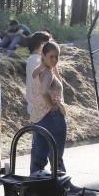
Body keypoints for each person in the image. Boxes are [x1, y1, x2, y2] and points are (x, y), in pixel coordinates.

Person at [29, 39, 67, 176]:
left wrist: (52, 65)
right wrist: (53, 106)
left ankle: (36, 182)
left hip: (38, 117)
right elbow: (44, 91)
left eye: (57, 57)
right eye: (51, 56)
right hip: (52, 117)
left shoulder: (38, 70)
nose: (55, 60)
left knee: (38, 155)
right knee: (56, 155)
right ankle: (62, 184)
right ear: (43, 56)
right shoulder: (47, 73)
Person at [25, 31, 51, 117]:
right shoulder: (38, 61)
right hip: (43, 110)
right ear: (41, 45)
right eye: (48, 45)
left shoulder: (32, 59)